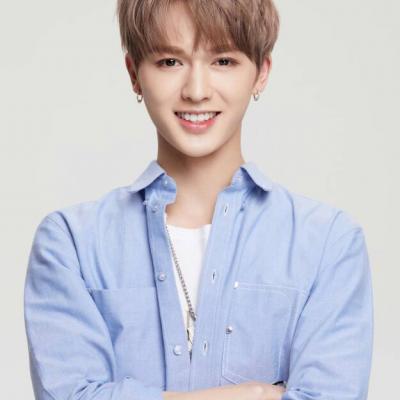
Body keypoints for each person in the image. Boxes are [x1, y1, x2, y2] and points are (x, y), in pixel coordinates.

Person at [23, 1, 374, 400]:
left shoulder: (328, 243)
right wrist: (255, 395)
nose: (196, 91)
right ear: (134, 74)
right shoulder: (72, 242)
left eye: (223, 61)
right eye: (170, 62)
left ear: (261, 73)